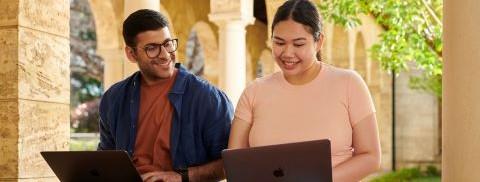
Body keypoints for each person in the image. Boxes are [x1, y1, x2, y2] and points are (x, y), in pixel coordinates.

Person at [228, 0, 381, 181]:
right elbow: (235, 163)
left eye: (298, 44)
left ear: (319, 42)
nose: (287, 53)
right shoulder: (253, 92)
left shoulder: (349, 84)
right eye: (279, 42)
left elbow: (371, 157)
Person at [97, 9, 233, 182]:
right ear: (131, 54)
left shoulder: (209, 98)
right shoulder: (113, 98)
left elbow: (229, 164)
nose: (165, 55)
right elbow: (106, 158)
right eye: (152, 48)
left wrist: (180, 177)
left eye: (168, 43)